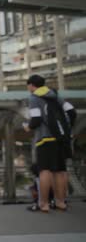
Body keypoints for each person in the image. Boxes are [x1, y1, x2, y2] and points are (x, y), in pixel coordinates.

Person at [24, 74, 76, 212]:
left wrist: (28, 127)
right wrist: (67, 129)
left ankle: (44, 203)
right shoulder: (55, 95)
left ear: (31, 85)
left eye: (28, 86)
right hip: (61, 138)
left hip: (45, 139)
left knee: (44, 170)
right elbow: (72, 112)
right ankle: (60, 202)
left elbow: (36, 120)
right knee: (60, 171)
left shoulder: (34, 98)